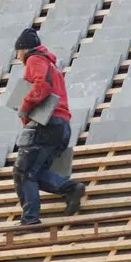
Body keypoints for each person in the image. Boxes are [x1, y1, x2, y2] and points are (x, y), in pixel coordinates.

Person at [12, 24, 84, 227]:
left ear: (24, 49)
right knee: (35, 171)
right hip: (61, 126)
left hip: (47, 124)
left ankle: (30, 219)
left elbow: (41, 86)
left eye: (18, 52)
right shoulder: (52, 66)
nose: (18, 57)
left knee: (23, 172)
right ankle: (71, 188)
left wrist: (25, 106)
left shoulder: (34, 59)